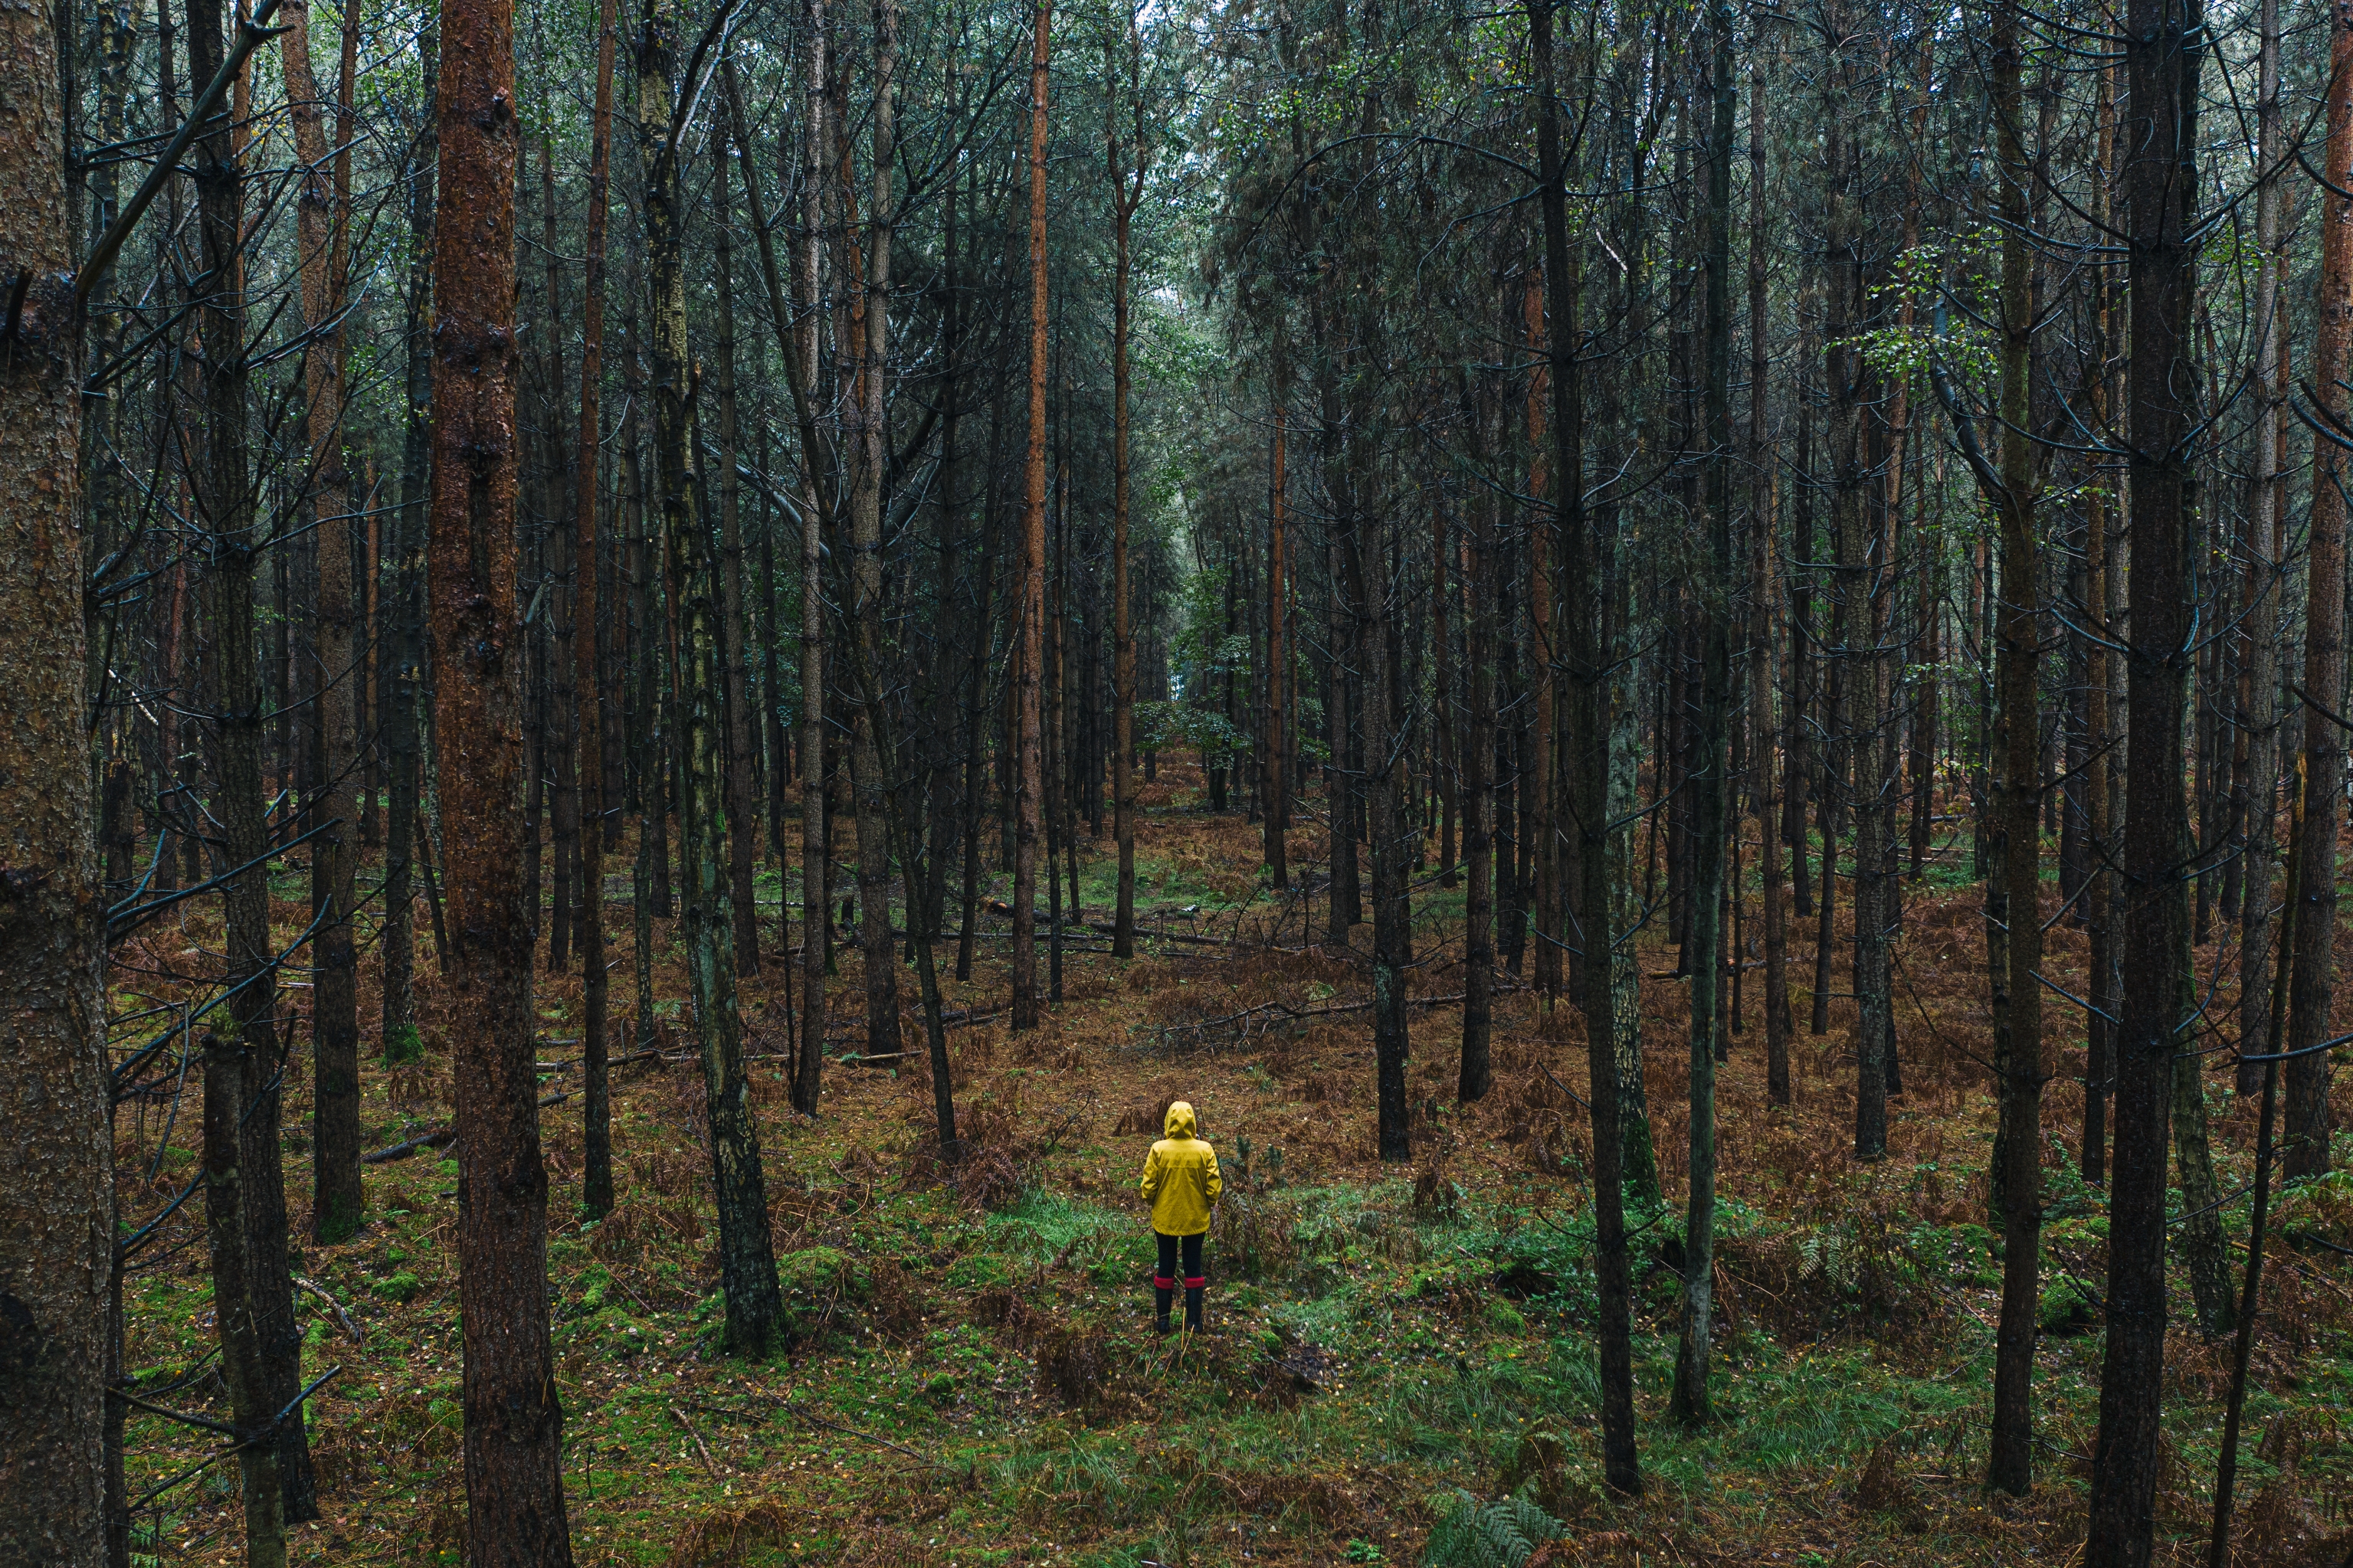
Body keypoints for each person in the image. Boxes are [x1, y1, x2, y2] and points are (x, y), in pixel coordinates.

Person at [1138, 1100, 1222, 1334]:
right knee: (1193, 1266)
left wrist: (1153, 1202)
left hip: (1165, 1220)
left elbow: (1148, 1187)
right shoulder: (1205, 1150)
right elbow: (1214, 1187)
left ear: (1168, 1122)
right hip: (1196, 1220)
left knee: (1166, 1266)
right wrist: (1207, 1204)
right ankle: (1195, 1323)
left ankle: (1163, 1322)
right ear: (1193, 1122)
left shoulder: (1158, 1149)